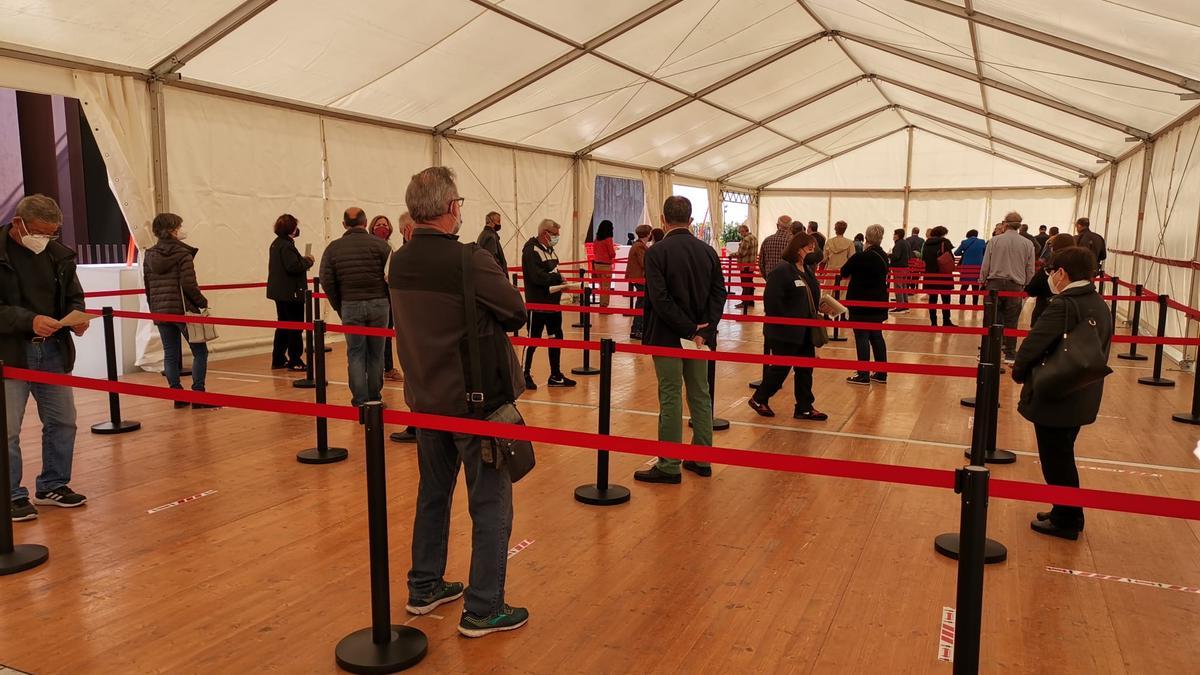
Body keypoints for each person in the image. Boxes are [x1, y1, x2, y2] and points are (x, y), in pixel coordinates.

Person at [390, 166, 529, 636]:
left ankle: (424, 586)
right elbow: (515, 311)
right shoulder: (468, 259)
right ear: (452, 208)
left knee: (433, 494)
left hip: (426, 397)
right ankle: (484, 607)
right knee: (491, 504)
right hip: (474, 402)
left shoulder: (400, 261)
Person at [1012, 246, 1112, 540]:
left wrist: (1019, 371)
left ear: (1061, 273)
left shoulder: (1065, 304)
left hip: (1058, 391)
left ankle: (1067, 517)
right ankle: (1062, 509)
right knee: (1062, 453)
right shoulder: (1097, 303)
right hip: (1081, 391)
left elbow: (1035, 342)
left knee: (1056, 458)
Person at [2, 195, 88, 521]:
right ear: (18, 223)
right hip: (10, 351)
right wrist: (29, 320)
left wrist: (75, 317)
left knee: (63, 421)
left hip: (52, 349)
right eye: (39, 232)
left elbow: (74, 295)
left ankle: (53, 484)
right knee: (7, 429)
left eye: (52, 233)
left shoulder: (58, 255)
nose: (45, 239)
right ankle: (10, 494)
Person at [635, 196, 726, 484]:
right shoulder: (708, 252)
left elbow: (659, 300)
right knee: (700, 394)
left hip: (668, 336)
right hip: (699, 338)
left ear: (663, 219)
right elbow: (719, 294)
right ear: (691, 219)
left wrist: (688, 329)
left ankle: (669, 464)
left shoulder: (656, 253)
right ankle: (702, 457)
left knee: (671, 396)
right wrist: (704, 331)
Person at [749, 232, 828, 420]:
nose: (812, 251)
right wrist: (788, 322)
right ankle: (759, 398)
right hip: (785, 331)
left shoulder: (806, 269)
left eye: (813, 248)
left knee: (805, 370)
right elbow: (772, 303)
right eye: (809, 248)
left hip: (805, 330)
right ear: (797, 249)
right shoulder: (782, 270)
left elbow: (808, 295)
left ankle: (804, 406)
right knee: (781, 369)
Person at [144, 212, 218, 410]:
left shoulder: (149, 254)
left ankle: (177, 394)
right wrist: (202, 302)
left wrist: (154, 310)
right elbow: (188, 284)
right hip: (182, 309)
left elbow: (148, 287)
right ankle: (199, 394)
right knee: (200, 351)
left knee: (170, 354)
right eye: (178, 226)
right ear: (172, 230)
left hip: (161, 310)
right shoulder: (182, 254)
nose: (181, 229)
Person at [319, 207, 391, 406]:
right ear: (366, 222)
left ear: (343, 225)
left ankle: (360, 400)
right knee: (377, 353)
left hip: (350, 304)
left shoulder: (333, 248)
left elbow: (326, 279)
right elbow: (391, 277)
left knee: (355, 353)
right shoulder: (381, 246)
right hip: (379, 304)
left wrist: (339, 304)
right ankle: (375, 398)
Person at [521, 219, 577, 390]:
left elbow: (554, 272)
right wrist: (557, 278)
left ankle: (555, 374)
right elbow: (537, 277)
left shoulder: (550, 251)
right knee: (533, 339)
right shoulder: (531, 251)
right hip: (537, 304)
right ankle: (524, 374)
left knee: (556, 338)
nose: (557, 238)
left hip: (553, 303)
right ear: (545, 233)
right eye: (555, 235)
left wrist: (562, 281)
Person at [979, 211, 1037, 362]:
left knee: (991, 318)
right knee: (1012, 320)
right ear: (1019, 225)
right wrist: (1028, 284)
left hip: (994, 283)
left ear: (1005, 223)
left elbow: (986, 264)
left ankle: (989, 351)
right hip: (1015, 285)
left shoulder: (995, 241)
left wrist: (982, 280)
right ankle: (1010, 353)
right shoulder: (1027, 243)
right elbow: (1030, 268)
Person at [841, 225, 890, 385]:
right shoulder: (883, 256)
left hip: (860, 302)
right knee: (877, 336)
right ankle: (881, 373)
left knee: (861, 336)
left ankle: (863, 374)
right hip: (879, 300)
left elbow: (844, 272)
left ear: (867, 239)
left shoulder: (860, 257)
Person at [267, 213, 313, 372]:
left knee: (283, 325)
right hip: (291, 293)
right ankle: (295, 359)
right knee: (295, 327)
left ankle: (278, 358)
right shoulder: (287, 246)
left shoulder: (276, 244)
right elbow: (293, 267)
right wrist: (308, 261)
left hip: (279, 293)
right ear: (290, 229)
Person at [370, 215, 405, 383]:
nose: (382, 227)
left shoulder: (391, 246)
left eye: (385, 224)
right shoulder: (368, 246)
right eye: (379, 224)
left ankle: (388, 368)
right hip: (373, 294)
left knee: (387, 332)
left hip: (387, 294)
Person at [1026, 233, 1077, 326]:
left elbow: (1031, 290)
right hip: (1072, 316)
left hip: (1045, 313)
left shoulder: (1050, 266)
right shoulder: (1080, 268)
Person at [921, 226, 956, 327]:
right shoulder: (945, 242)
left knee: (932, 299)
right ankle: (946, 321)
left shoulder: (926, 243)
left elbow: (923, 257)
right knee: (946, 299)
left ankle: (933, 322)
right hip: (943, 274)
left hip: (930, 274)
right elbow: (950, 257)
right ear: (943, 233)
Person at [627, 224, 651, 340]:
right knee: (641, 304)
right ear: (647, 234)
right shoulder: (639, 247)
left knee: (641, 303)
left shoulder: (638, 245)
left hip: (638, 278)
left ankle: (638, 329)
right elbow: (644, 263)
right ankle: (636, 329)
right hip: (640, 278)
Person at [954, 229, 987, 305]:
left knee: (964, 286)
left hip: (966, 267)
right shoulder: (982, 242)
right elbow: (985, 253)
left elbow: (956, 253)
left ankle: (962, 303)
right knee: (975, 287)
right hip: (978, 267)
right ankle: (975, 304)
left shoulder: (964, 242)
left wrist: (964, 253)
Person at [758, 215, 792, 280]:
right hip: (788, 279)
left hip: (770, 278)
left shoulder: (767, 240)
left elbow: (761, 263)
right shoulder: (793, 241)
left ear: (777, 226)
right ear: (790, 227)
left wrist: (766, 277)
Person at [592, 219, 617, 307]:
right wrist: (614, 251)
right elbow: (612, 253)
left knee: (601, 286)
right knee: (606, 286)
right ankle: (604, 305)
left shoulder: (596, 239)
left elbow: (594, 251)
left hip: (597, 264)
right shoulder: (608, 239)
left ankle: (602, 304)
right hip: (606, 265)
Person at [733, 224, 757, 309]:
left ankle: (745, 302)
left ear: (744, 231)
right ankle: (751, 301)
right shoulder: (754, 237)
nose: (740, 233)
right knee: (750, 283)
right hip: (751, 265)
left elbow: (741, 253)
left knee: (745, 284)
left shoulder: (746, 239)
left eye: (741, 231)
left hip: (745, 265)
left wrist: (732, 255)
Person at [888, 228, 911, 312]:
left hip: (899, 268)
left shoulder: (898, 244)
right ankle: (905, 304)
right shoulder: (906, 242)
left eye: (894, 234)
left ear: (897, 235)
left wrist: (889, 255)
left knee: (898, 286)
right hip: (905, 267)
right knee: (903, 286)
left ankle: (900, 306)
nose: (893, 236)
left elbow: (896, 256)